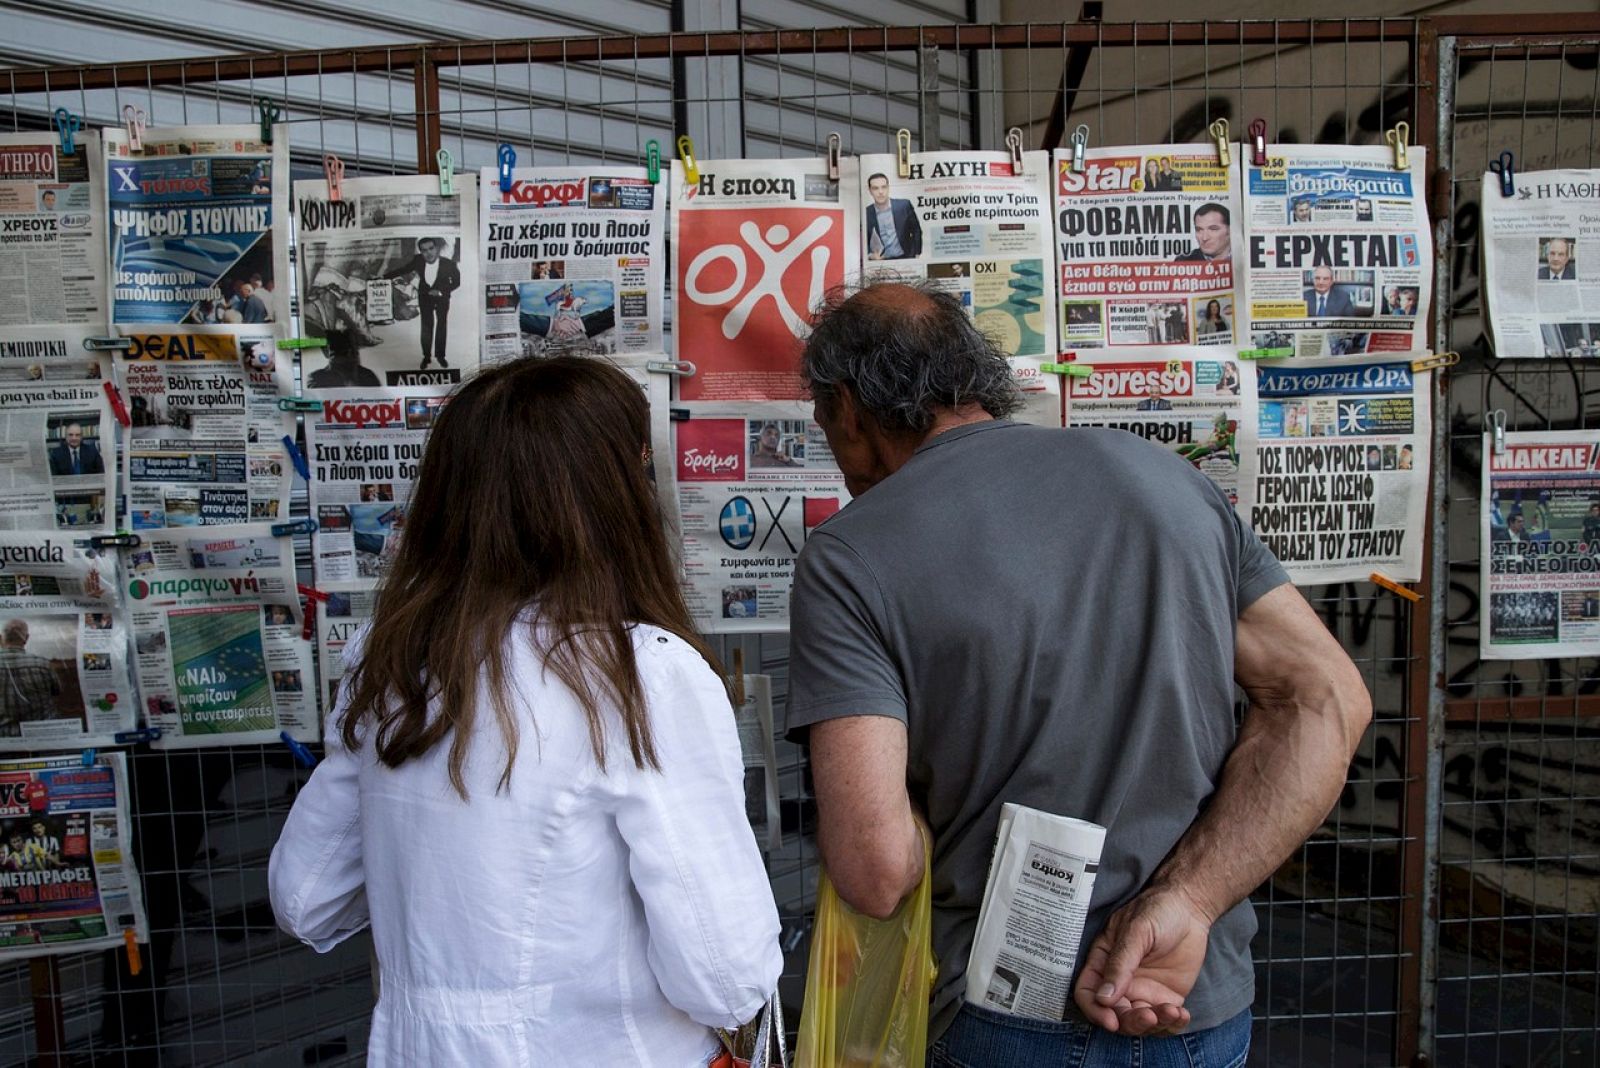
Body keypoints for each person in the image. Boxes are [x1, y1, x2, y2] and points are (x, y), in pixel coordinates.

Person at [785, 280, 1370, 1064]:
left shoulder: (848, 557)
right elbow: (1328, 699)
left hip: (1004, 1014)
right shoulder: (1169, 483)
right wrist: (1188, 901)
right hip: (1194, 999)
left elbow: (875, 871)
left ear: (848, 410)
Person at [270, 356, 781, 1065]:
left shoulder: (387, 661)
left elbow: (306, 896)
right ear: (617, 492)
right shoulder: (643, 675)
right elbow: (726, 975)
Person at [384, 237, 461, 369]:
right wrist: (383, 277)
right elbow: (403, 269)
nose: (428, 253)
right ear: (420, 252)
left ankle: (440, 356)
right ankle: (426, 357)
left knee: (441, 325)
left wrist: (441, 291)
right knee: (426, 327)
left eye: (431, 248)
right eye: (424, 250)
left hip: (442, 298)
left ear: (436, 249)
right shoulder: (418, 260)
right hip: (425, 297)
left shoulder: (449, 264)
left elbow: (456, 282)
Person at [0, 620, 62, 737]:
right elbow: (57, 691)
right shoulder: (42, 663)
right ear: (26, 638)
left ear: (1, 638)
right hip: (42, 736)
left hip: (4, 738)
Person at [864, 172, 922, 260]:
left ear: (888, 188)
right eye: (875, 188)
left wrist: (916, 254)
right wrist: (870, 255)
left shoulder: (904, 205)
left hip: (905, 258)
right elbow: (863, 240)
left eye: (884, 187)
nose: (880, 192)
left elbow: (916, 230)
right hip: (881, 262)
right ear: (870, 191)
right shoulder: (866, 213)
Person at [305, 330, 380, 390]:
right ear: (328, 354)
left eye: (354, 351)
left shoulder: (368, 376)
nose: (351, 356)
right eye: (343, 352)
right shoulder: (317, 378)